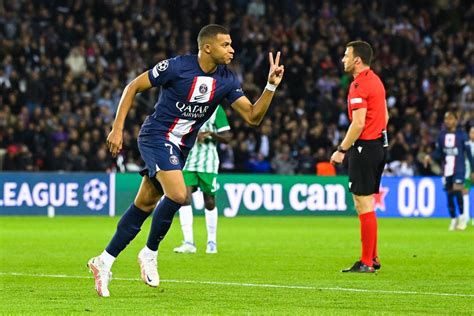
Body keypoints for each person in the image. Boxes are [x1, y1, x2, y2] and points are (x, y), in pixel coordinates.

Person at [87, 24, 285, 297]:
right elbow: (133, 86)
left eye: (231, 44)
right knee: (179, 194)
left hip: (181, 147)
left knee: (144, 204)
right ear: (207, 47)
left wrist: (271, 85)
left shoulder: (227, 79)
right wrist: (117, 128)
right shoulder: (177, 67)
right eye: (225, 44)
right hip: (156, 136)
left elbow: (252, 116)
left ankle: (103, 261)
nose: (232, 49)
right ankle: (149, 253)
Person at [330, 41, 388, 273]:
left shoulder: (359, 85)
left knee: (362, 203)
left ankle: (366, 262)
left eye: (346, 55)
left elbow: (358, 123)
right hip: (378, 146)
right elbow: (386, 115)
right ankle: (372, 257)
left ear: (357, 60)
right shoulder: (376, 81)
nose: (342, 59)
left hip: (364, 148)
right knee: (367, 203)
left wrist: (341, 150)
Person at [173, 105, 231, 254]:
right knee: (183, 198)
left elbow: (227, 138)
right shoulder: (187, 107)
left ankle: (212, 241)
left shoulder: (217, 109)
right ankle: (188, 242)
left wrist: (211, 134)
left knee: (209, 201)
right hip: (188, 161)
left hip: (208, 163)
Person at [424, 113, 474, 231]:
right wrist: (429, 156)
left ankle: (462, 217)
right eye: (446, 119)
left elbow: (469, 154)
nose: (447, 121)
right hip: (446, 170)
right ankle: (453, 219)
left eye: (450, 119)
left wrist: (473, 170)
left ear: (456, 120)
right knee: (449, 195)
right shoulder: (442, 136)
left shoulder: (462, 135)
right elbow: (439, 152)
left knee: (458, 191)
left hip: (459, 169)